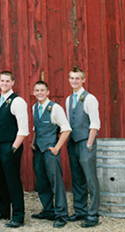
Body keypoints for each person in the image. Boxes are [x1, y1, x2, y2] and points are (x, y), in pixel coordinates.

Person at [0, 71, 29, 228]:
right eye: (2, 81)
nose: (4, 83)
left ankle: (18, 216)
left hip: (11, 146)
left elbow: (23, 129)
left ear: (13, 83)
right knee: (1, 180)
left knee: (13, 181)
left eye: (7, 81)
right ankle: (3, 211)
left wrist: (13, 148)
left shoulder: (18, 101)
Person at [30, 81, 71, 228]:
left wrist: (57, 148)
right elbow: (36, 128)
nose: (39, 93)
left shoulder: (55, 108)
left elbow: (66, 129)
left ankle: (61, 215)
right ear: (34, 92)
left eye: (42, 90)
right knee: (42, 182)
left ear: (48, 92)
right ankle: (48, 210)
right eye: (37, 90)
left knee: (56, 183)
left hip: (50, 151)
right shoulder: (35, 107)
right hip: (38, 150)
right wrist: (33, 143)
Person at [65, 67, 100, 228]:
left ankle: (93, 215)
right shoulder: (68, 99)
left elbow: (95, 124)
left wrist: (89, 144)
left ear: (83, 80)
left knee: (91, 179)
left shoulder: (90, 98)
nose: (74, 81)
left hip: (86, 142)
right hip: (73, 142)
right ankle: (80, 211)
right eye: (72, 78)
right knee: (77, 178)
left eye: (77, 78)